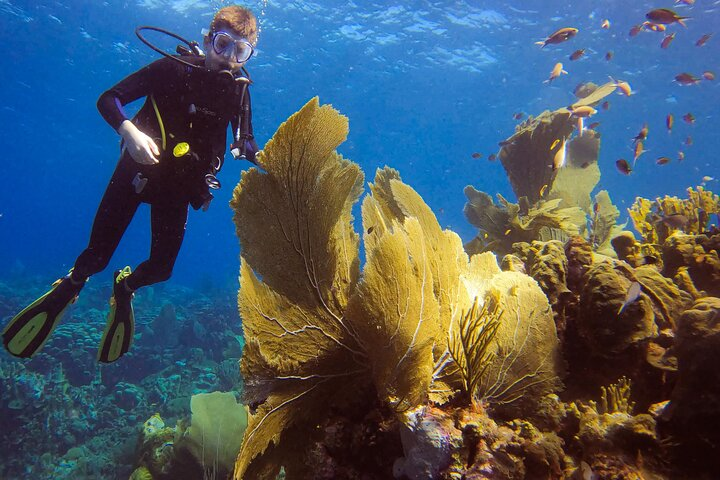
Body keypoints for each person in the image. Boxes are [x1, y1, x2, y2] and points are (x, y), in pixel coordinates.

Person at [2, 5, 260, 363]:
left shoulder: (239, 93)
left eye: (240, 51)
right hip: (134, 174)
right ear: (207, 39)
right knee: (95, 257)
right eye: (222, 44)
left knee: (162, 269)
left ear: (248, 56)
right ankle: (72, 284)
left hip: (178, 188)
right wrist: (129, 131)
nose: (228, 58)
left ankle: (125, 288)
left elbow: (246, 142)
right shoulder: (171, 69)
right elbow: (109, 99)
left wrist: (257, 155)